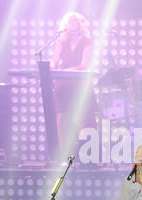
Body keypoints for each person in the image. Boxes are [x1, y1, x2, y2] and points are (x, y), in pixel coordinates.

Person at [51, 12, 95, 161]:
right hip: (63, 85)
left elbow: (83, 65)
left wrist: (67, 70)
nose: (72, 23)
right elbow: (54, 61)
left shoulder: (87, 41)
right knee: (61, 118)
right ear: (65, 24)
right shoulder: (61, 41)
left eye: (75, 20)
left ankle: (85, 156)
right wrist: (50, 68)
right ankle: (61, 155)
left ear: (81, 23)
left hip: (79, 86)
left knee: (81, 119)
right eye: (69, 21)